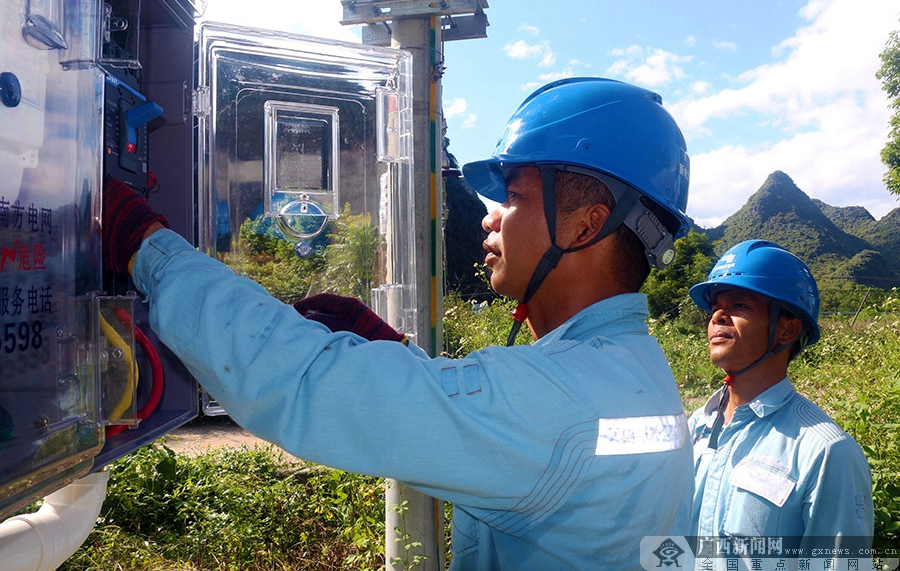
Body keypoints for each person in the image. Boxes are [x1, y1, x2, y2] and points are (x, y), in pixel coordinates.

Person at [103, 77, 694, 570]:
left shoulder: (564, 397)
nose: (490, 219)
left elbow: (307, 385)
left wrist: (147, 248)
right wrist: (399, 358)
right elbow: (517, 438)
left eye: (512, 196)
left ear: (586, 226)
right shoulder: (630, 371)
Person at [687, 240, 873, 562]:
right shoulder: (696, 427)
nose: (718, 315)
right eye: (716, 306)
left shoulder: (826, 452)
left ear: (787, 330)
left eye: (740, 305)